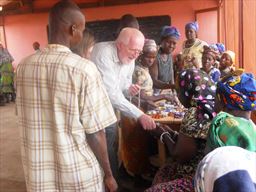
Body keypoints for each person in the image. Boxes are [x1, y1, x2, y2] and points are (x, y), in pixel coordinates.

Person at [15, 1, 118, 191]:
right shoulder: (83, 69)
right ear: (74, 29)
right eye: (82, 29)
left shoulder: (22, 67)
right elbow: (96, 133)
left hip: (39, 176)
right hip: (78, 176)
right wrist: (109, 174)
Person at [91, 27, 156, 181]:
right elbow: (112, 94)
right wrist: (140, 115)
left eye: (139, 52)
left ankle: (113, 178)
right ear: (119, 45)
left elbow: (122, 87)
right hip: (93, 108)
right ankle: (110, 181)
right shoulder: (103, 54)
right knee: (104, 146)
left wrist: (129, 90)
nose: (136, 55)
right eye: (133, 49)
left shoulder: (130, 58)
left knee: (112, 144)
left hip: (109, 108)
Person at [146, 69, 216, 192]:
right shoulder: (213, 106)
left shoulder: (195, 113)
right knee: (163, 171)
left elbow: (180, 156)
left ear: (188, 91)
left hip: (196, 176)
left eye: (179, 91)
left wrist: (163, 135)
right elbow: (197, 142)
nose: (178, 95)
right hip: (211, 171)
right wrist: (173, 133)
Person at [206, 71, 256, 152]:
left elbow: (208, 157)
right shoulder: (252, 128)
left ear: (223, 101)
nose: (213, 102)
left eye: (215, 98)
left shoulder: (220, 123)